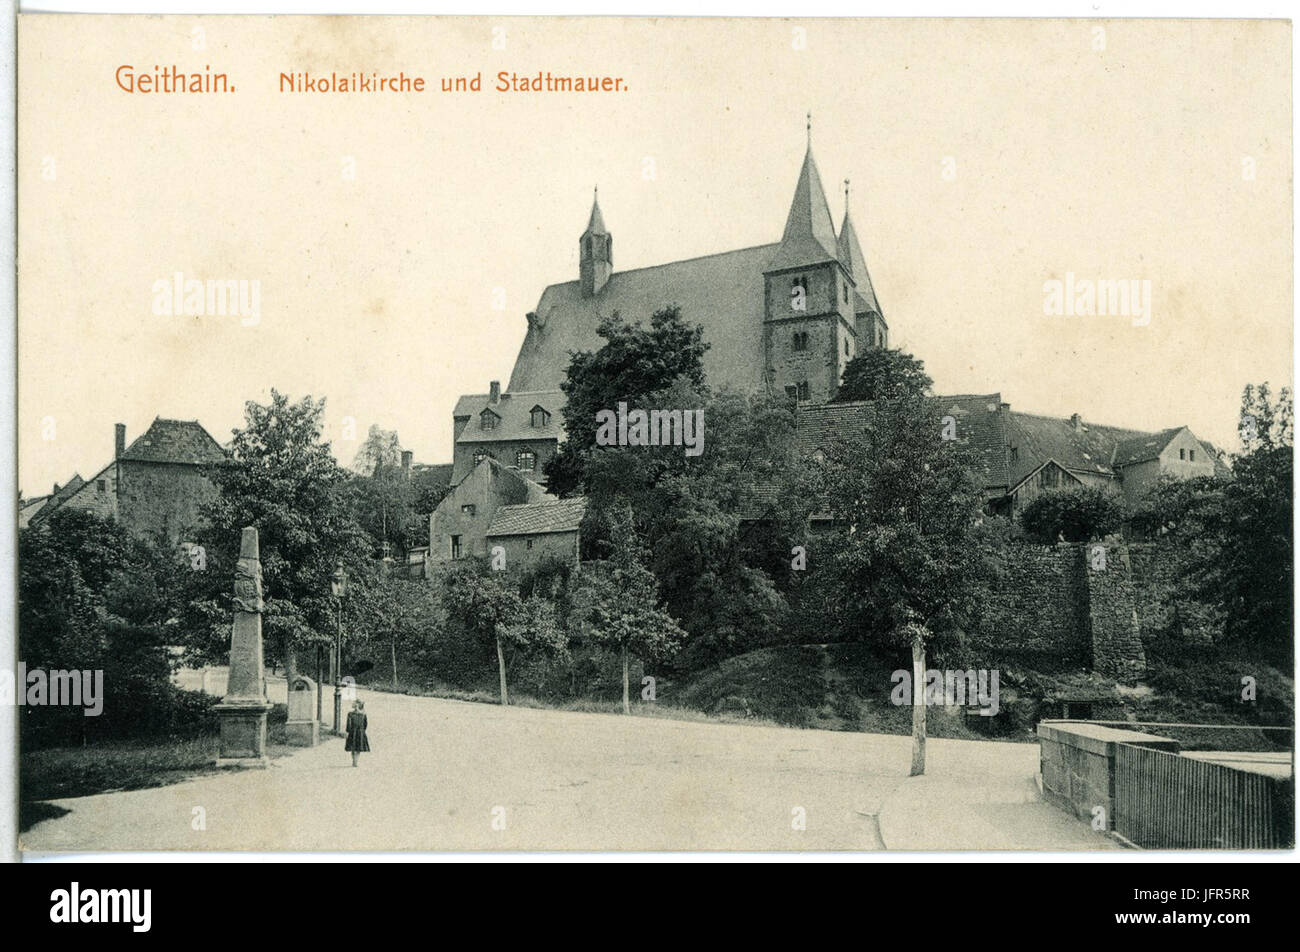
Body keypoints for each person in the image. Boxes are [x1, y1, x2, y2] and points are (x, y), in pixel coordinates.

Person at [345, 699, 370, 767]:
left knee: (356, 747)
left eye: (357, 705)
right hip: (356, 732)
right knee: (355, 747)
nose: (355, 707)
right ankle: (355, 761)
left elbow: (365, 724)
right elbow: (349, 724)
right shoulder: (354, 714)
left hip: (356, 732)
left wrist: (362, 731)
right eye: (355, 705)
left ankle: (355, 761)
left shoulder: (359, 715)